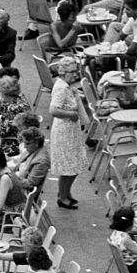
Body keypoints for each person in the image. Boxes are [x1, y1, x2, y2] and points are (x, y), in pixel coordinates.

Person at [48, 57, 86, 209]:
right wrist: (71, 115)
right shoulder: (62, 88)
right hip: (65, 130)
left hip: (69, 130)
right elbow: (53, 109)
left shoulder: (65, 85)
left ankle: (65, 193)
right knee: (69, 167)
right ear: (63, 73)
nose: (75, 75)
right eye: (72, 72)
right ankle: (63, 196)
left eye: (76, 71)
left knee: (72, 165)